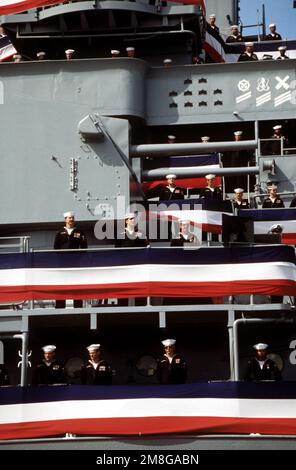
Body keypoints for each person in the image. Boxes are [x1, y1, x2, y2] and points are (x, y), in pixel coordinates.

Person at [54, 211, 88, 308]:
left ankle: (78, 305)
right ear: (65, 219)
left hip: (75, 263)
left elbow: (84, 247)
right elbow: (56, 248)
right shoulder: (59, 232)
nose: (71, 219)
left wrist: (77, 256)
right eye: (69, 218)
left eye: (72, 217)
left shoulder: (79, 232)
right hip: (62, 264)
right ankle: (60, 305)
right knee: (61, 285)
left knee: (76, 284)